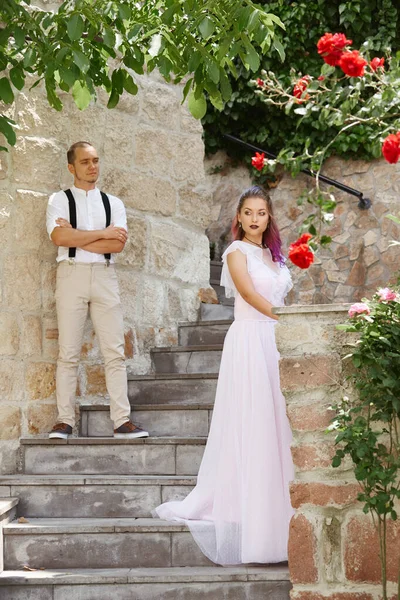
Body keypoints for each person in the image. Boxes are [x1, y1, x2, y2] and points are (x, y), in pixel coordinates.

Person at [153, 185, 294, 565]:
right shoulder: (236, 252)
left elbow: (278, 294)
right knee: (254, 422)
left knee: (278, 423)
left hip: (275, 342)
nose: (254, 219)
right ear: (239, 217)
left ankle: (282, 516)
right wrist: (289, 320)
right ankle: (254, 525)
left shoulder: (274, 255)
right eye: (248, 212)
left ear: (269, 217)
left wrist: (287, 328)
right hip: (250, 340)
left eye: (261, 213)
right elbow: (249, 295)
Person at [45, 141, 148, 440]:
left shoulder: (113, 203)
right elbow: (58, 237)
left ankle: (121, 421)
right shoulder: (59, 200)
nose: (93, 166)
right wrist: (101, 233)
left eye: (96, 161)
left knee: (114, 351)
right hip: (71, 275)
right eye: (86, 161)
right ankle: (64, 421)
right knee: (68, 352)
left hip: (105, 275)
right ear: (71, 167)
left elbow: (117, 244)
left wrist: (76, 237)